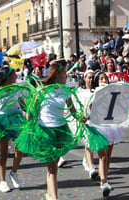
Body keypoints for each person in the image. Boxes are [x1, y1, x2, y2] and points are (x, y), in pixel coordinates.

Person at [15, 59, 87, 200]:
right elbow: (30, 113)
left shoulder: (65, 91)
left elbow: (72, 111)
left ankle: (50, 194)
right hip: (45, 132)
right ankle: (54, 197)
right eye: (65, 72)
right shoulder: (41, 91)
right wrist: (30, 121)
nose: (67, 75)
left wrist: (81, 118)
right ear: (58, 74)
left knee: (53, 167)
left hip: (60, 131)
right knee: (52, 167)